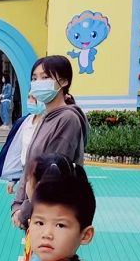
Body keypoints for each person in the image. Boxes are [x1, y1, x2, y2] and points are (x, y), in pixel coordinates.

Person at [11, 56, 88, 230]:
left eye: (45, 77)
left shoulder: (67, 119)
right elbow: (30, 167)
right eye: (34, 78)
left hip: (51, 214)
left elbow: (51, 173)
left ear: (64, 81)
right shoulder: (46, 117)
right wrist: (17, 204)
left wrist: (25, 211)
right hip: (37, 212)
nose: (38, 83)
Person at [0, 95, 44, 194]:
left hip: (42, 178)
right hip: (26, 176)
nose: (30, 101)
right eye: (28, 97)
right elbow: (18, 150)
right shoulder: (24, 122)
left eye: (33, 98)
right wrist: (13, 179)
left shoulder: (50, 123)